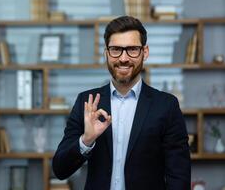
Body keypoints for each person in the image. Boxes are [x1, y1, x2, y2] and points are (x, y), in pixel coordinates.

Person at [52, 16, 191, 190]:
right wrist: (86, 140)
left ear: (144, 52)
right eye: (116, 49)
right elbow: (60, 169)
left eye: (132, 49)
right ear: (106, 53)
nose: (123, 58)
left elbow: (179, 175)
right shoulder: (86, 103)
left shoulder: (166, 106)